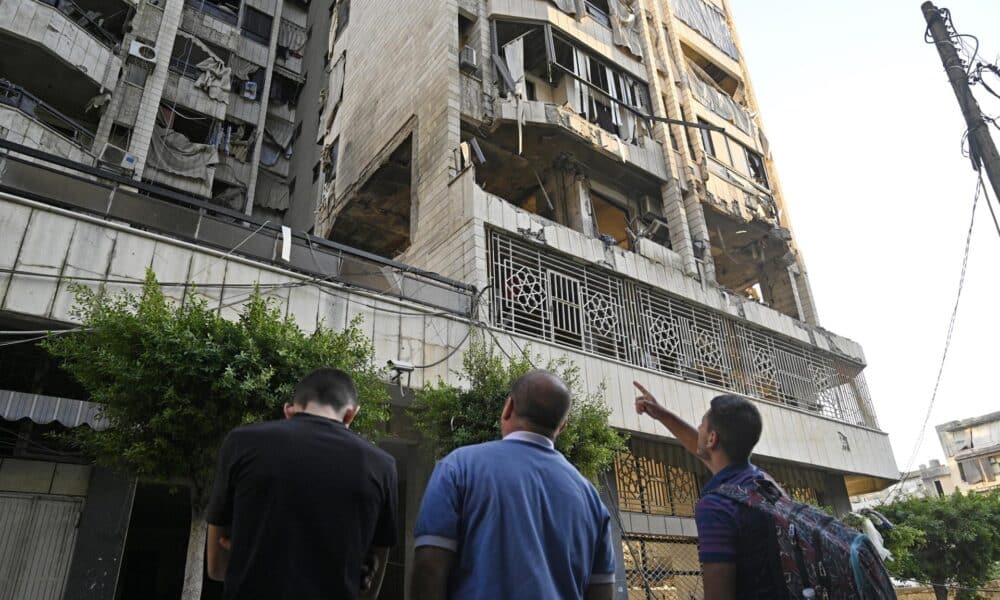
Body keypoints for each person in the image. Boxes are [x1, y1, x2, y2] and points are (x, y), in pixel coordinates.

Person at [410, 370, 615, 600]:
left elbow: (429, 568)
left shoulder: (458, 467)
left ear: (508, 407)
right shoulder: (590, 499)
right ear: (563, 426)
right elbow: (602, 592)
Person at [205, 368, 398, 600]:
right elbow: (371, 578)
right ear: (350, 415)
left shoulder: (241, 443)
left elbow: (216, 567)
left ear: (289, 410)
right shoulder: (382, 466)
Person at [633, 381, 784, 600]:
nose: (698, 430)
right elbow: (701, 447)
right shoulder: (763, 483)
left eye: (701, 426)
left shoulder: (717, 506)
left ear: (712, 438)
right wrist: (661, 413)